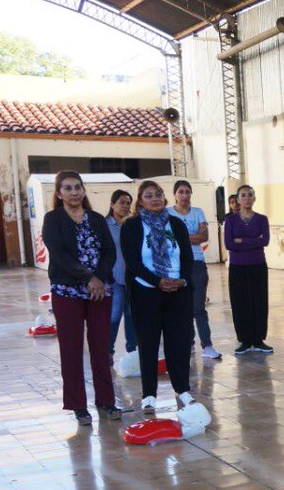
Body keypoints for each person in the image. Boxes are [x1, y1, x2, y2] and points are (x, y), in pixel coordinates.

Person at [43, 171, 120, 425]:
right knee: (71, 348)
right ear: (59, 194)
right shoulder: (53, 219)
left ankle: (106, 401)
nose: (74, 192)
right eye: (68, 188)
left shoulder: (96, 219)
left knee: (100, 346)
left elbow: (109, 252)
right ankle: (78, 406)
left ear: (84, 191)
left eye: (78, 187)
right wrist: (88, 278)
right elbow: (59, 255)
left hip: (99, 291)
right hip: (68, 291)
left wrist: (99, 278)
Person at [122, 180, 196, 412]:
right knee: (148, 342)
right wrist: (158, 281)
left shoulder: (176, 224)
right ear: (140, 201)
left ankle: (182, 389)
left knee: (179, 342)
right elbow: (133, 262)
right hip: (146, 291)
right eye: (148, 195)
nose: (155, 199)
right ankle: (149, 394)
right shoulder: (132, 226)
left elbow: (187, 257)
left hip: (177, 291)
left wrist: (182, 280)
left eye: (158, 194)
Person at [168, 180, 220, 360]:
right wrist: (191, 236)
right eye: (180, 192)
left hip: (197, 263)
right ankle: (187, 343)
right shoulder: (168, 213)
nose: (184, 195)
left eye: (187, 191)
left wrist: (181, 236)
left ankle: (207, 345)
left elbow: (203, 237)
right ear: (175, 194)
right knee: (182, 307)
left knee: (198, 307)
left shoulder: (198, 212)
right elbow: (168, 237)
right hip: (176, 265)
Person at [224, 184, 272, 356]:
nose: (247, 198)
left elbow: (265, 241)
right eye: (243, 195)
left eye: (250, 195)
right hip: (237, 267)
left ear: (254, 198)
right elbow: (229, 244)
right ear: (237, 199)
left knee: (259, 301)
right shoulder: (231, 220)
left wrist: (242, 241)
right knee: (240, 302)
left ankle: (258, 339)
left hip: (257, 265)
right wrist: (253, 241)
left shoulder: (262, 219)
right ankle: (244, 340)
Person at [106, 189, 137, 358]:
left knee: (132, 317)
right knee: (114, 316)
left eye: (128, 203)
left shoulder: (132, 224)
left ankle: (133, 354)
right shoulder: (104, 225)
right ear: (112, 204)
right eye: (121, 203)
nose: (125, 206)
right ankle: (108, 353)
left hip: (132, 279)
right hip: (113, 278)